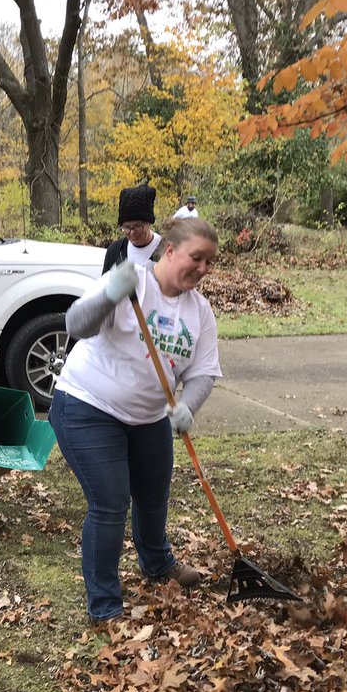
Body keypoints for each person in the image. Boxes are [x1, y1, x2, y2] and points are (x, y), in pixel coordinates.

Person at [50, 217, 222, 624]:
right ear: (170, 251)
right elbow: (76, 325)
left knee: (154, 495)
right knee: (111, 503)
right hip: (87, 406)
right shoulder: (132, 283)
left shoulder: (200, 311)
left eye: (209, 262)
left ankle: (157, 562)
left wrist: (188, 406)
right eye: (196, 258)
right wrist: (111, 293)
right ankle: (105, 605)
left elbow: (203, 373)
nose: (202, 269)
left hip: (148, 417)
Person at [102, 184, 162, 273]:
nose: (132, 232)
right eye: (127, 227)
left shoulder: (165, 250)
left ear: (149, 222)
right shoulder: (115, 251)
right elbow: (105, 281)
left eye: (137, 226)